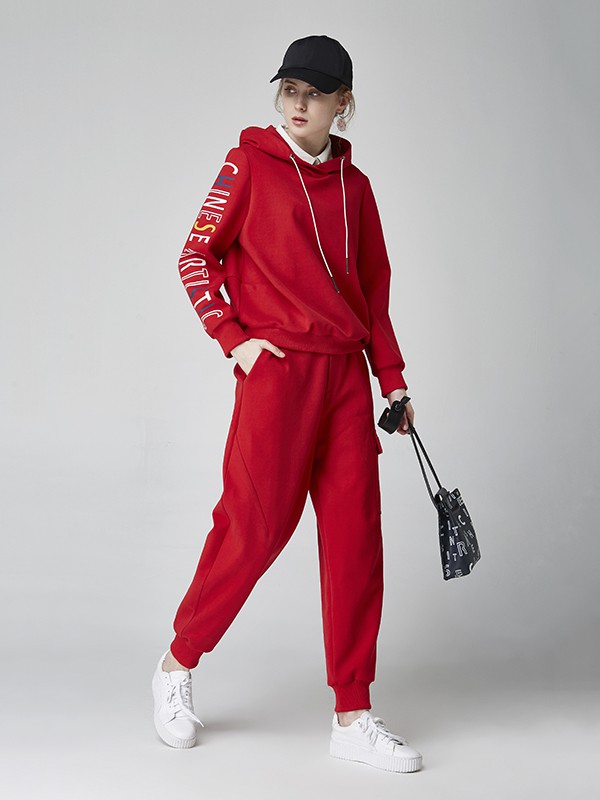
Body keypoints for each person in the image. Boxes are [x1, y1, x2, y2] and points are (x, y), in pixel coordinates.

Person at [152, 34, 423, 773]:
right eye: (290, 90)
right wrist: (233, 339)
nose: (299, 104)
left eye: (316, 93)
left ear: (344, 103)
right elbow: (195, 255)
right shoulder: (247, 164)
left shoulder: (357, 188)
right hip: (277, 377)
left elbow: (374, 293)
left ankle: (353, 714)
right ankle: (177, 663)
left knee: (355, 541)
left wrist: (391, 379)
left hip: (344, 380)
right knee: (254, 531)